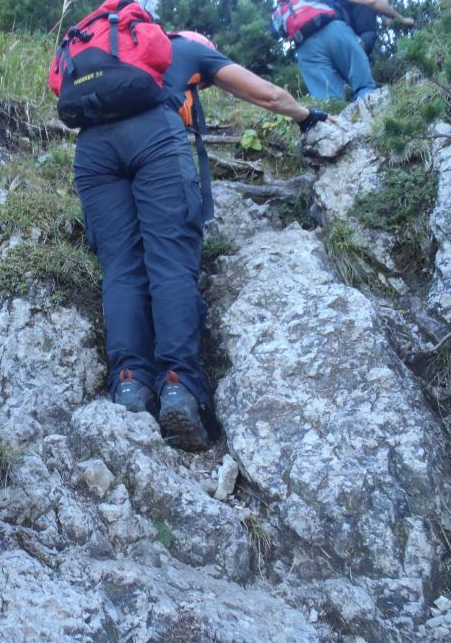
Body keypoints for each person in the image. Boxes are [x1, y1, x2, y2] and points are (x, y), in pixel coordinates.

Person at [74, 28, 329, 451]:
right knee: (170, 263)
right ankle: (178, 385)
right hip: (154, 137)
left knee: (120, 269)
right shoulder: (190, 49)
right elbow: (264, 94)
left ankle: (130, 385)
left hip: (92, 150)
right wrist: (306, 116)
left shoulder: (105, 54)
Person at [296, 0, 414, 101]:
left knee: (329, 104)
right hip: (334, 31)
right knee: (364, 87)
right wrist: (402, 19)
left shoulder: (287, 8)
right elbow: (371, 1)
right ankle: (374, 115)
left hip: (304, 49)